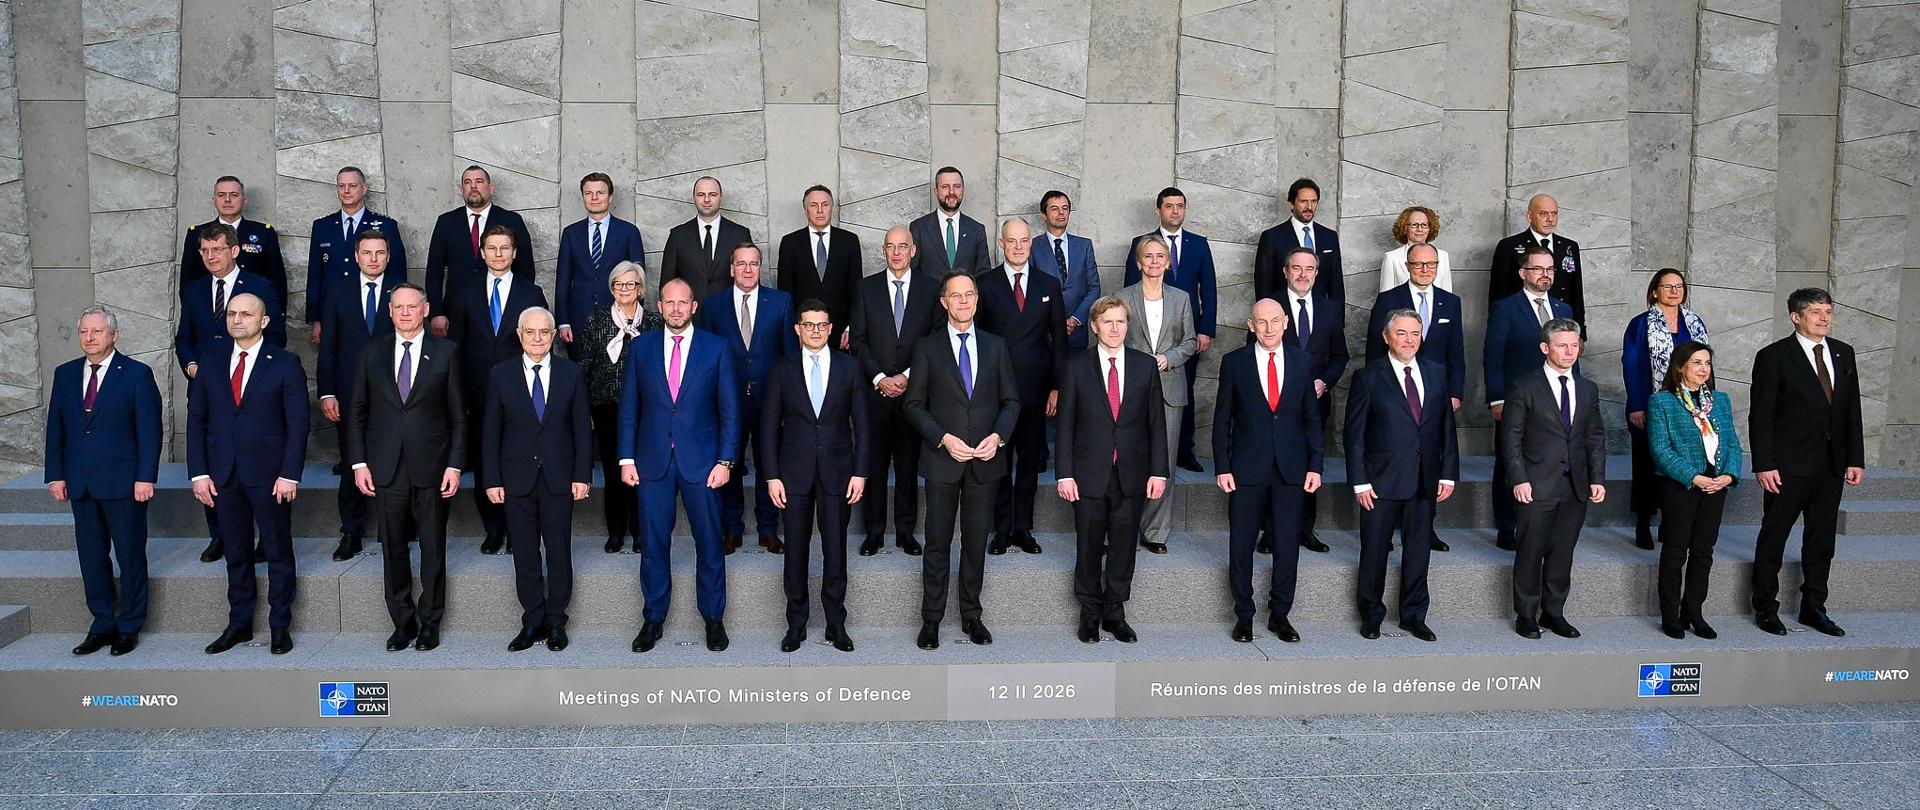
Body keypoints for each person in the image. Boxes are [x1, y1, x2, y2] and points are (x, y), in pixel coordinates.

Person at [619, 278, 743, 653]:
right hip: (652, 461)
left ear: (694, 307)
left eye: (682, 302)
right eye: (669, 302)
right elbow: (629, 408)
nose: (675, 309)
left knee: (709, 543)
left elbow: (730, 411)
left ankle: (714, 618)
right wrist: (626, 457)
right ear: (659, 306)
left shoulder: (717, 349)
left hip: (703, 463)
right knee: (654, 544)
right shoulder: (640, 349)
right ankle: (653, 618)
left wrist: (726, 461)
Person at [187, 293, 309, 656]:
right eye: (232, 313)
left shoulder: (285, 363)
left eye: (246, 314)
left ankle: (279, 626)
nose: (238, 319)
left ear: (264, 321)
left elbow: (298, 423)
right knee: (236, 553)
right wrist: (199, 474)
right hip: (223, 475)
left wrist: (290, 474)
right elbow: (197, 420)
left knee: (277, 550)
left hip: (271, 476)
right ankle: (239, 624)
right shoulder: (211, 361)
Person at [904, 271, 1020, 650]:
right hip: (943, 460)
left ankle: (971, 615)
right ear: (944, 302)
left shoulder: (996, 346)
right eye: (956, 296)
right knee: (938, 543)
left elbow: (1011, 402)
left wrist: (998, 437)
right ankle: (932, 619)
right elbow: (914, 404)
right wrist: (943, 438)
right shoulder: (927, 348)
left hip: (985, 462)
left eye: (969, 294)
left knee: (974, 543)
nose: (964, 301)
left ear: (976, 299)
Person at [347, 282, 465, 653]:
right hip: (385, 467)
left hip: (431, 466)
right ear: (390, 310)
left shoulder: (446, 353)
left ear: (426, 310)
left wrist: (455, 465)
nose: (405, 313)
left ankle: (431, 622)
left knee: (432, 548)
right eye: (398, 307)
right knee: (393, 547)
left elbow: (459, 416)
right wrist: (358, 462)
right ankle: (403, 621)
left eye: (412, 307)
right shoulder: (372, 353)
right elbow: (357, 412)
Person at [45, 305, 161, 657]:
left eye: (97, 331)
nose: (90, 338)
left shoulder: (137, 375)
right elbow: (57, 429)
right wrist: (56, 475)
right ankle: (102, 623)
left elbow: (149, 431)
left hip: (124, 482)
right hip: (80, 482)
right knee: (91, 557)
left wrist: (145, 477)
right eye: (84, 331)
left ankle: (129, 626)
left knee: (129, 555)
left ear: (114, 335)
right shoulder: (64, 374)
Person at [1748, 288, 1864, 638]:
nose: (1824, 318)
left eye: (1828, 311)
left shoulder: (1844, 353)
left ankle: (1814, 607)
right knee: (1774, 536)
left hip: (1832, 465)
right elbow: (1761, 415)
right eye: (1816, 312)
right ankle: (1766, 607)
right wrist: (1763, 463)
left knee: (1821, 539)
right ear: (1796, 316)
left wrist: (1855, 458)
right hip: (1786, 465)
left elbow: (1851, 411)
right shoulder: (1774, 356)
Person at [760, 300, 870, 652]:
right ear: (798, 329)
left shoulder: (850, 368)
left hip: (839, 473)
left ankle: (836, 623)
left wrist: (861, 472)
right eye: (809, 325)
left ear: (831, 327)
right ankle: (796, 623)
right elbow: (767, 429)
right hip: (792, 476)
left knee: (836, 551)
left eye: (822, 325)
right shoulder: (782, 370)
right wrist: (771, 476)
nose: (816, 331)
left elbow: (864, 427)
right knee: (795, 551)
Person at [1057, 296, 1167, 644]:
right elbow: (1065, 426)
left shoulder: (1144, 366)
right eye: (1108, 322)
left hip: (1132, 473)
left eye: (1121, 322)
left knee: (1124, 544)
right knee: (1089, 544)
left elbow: (1156, 424)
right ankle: (1089, 611)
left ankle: (1115, 611)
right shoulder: (1076, 367)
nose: (1115, 328)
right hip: (1088, 473)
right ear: (1094, 326)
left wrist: (1159, 472)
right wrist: (1064, 473)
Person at [1214, 299, 1324, 644]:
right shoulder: (1234, 363)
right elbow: (1222, 420)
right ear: (1251, 325)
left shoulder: (1303, 361)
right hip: (1246, 468)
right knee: (1242, 543)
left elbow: (1311, 418)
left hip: (1291, 468)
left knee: (1288, 544)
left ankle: (1280, 615)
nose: (1269, 328)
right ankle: (1244, 615)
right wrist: (1222, 466)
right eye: (1262, 322)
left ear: (1286, 322)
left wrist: (1315, 465)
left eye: (1275, 321)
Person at [482, 307, 592, 653]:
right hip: (517, 480)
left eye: (544, 332)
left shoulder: (570, 373)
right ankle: (532, 620)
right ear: (519, 335)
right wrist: (492, 479)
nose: (538, 338)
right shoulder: (500, 375)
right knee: (525, 555)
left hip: (559, 479)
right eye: (530, 332)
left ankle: (557, 621)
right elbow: (490, 432)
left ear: (553, 335)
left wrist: (582, 476)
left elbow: (581, 431)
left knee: (559, 552)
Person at [1345, 309, 1457, 642]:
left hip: (1425, 479)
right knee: (1375, 550)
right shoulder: (1368, 377)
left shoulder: (1437, 374)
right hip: (1380, 483)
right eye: (1402, 334)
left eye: (1414, 334)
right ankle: (1371, 615)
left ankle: (1413, 615)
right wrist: (1360, 481)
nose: (1409, 340)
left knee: (1419, 551)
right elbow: (1354, 435)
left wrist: (1448, 473)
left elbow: (1446, 429)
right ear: (1386, 337)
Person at [176, 222, 284, 564]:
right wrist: (192, 365)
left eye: (218, 249)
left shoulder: (259, 286)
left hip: (252, 388)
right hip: (209, 389)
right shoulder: (194, 291)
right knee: (214, 458)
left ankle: (267, 538)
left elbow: (277, 335)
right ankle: (220, 535)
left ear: (234, 251)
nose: (210, 256)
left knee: (258, 460)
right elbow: (184, 338)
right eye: (205, 251)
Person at [448, 224, 550, 555]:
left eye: (504, 248)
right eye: (492, 248)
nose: (498, 254)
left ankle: (517, 528)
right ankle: (493, 529)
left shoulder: (530, 292)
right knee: (484, 459)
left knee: (519, 458)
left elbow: (541, 344)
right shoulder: (465, 291)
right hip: (477, 391)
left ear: (515, 252)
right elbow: (457, 346)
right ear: (483, 252)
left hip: (520, 390)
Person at [1503, 318, 1606, 640]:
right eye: (1563, 345)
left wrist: (1597, 478)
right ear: (1545, 348)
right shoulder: (1524, 386)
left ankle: (1554, 612)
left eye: (1575, 345)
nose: (1570, 351)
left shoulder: (1588, 389)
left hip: (1575, 485)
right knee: (1531, 550)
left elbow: (1595, 436)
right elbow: (1510, 437)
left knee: (1563, 552)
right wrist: (1518, 479)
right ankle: (1526, 614)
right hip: (1535, 484)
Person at [697, 242, 796, 554]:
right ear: (731, 269)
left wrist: (788, 403)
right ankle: (732, 529)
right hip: (728, 402)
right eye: (741, 264)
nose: (748, 269)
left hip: (770, 400)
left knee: (770, 465)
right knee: (730, 464)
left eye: (754, 264)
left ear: (760, 268)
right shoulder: (713, 306)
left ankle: (768, 529)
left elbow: (790, 356)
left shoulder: (780, 302)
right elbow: (705, 357)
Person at [848, 226, 940, 556]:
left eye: (903, 246)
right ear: (884, 251)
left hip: (913, 395)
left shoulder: (931, 289)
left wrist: (907, 376)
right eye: (891, 246)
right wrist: (880, 378)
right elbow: (856, 340)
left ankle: (905, 531)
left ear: (913, 250)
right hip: (874, 394)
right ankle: (873, 531)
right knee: (873, 463)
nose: (897, 252)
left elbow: (934, 339)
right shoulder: (866, 288)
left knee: (907, 464)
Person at [976, 218, 1066, 556]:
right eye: (1011, 241)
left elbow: (1059, 341)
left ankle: (1023, 527)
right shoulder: (985, 284)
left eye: (1024, 241)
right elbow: (978, 340)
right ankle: (1000, 529)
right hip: (995, 390)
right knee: (998, 459)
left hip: (1034, 389)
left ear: (1031, 243)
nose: (1018, 247)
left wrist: (1056, 387)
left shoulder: (1048, 283)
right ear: (1002, 244)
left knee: (1029, 460)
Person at [1367, 242, 1463, 552]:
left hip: (1434, 395)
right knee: (1394, 457)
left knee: (1429, 460)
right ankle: (1387, 527)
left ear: (1438, 266)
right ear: (1408, 266)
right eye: (1419, 264)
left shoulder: (1451, 302)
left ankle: (1426, 529)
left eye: (1431, 264)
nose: (1425, 269)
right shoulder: (1388, 299)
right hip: (1394, 396)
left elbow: (1456, 351)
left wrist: (1455, 392)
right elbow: (1373, 350)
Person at [1645, 342, 1739, 640]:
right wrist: (1694, 477)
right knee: (1675, 551)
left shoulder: (1720, 401)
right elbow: (1660, 450)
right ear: (1680, 367)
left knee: (1704, 551)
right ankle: (1670, 614)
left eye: (1707, 363)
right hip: (1682, 485)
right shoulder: (1662, 402)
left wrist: (1729, 476)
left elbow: (1733, 444)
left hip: (1716, 485)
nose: (1703, 369)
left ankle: (1694, 611)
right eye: (1697, 363)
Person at [1483, 246, 1573, 550]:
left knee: (1548, 461)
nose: (1545, 274)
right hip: (1516, 400)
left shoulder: (1563, 309)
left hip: (1555, 401)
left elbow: (1571, 356)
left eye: (1550, 269)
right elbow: (1493, 356)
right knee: (1510, 461)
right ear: (1524, 273)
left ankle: (1542, 525)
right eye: (1538, 268)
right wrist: (1496, 398)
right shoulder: (1506, 308)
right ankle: (1507, 527)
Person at [316, 230, 397, 561]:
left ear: (388, 256)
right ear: (356, 256)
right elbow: (329, 348)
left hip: (395, 394)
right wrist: (327, 392)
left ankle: (395, 530)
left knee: (394, 461)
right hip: (349, 393)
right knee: (353, 461)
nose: (374, 259)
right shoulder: (337, 292)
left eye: (380, 253)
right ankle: (351, 531)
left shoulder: (401, 292)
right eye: (367, 253)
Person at [1124, 187, 1216, 472]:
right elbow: (1129, 288)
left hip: (1183, 333)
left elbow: (1209, 289)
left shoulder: (1198, 244)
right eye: (1169, 206)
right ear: (1158, 210)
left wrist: (1205, 330)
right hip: (1145, 337)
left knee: (1182, 390)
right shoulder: (1141, 243)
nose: (1175, 211)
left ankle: (1182, 449)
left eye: (1180, 206)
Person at [576, 261, 663, 553]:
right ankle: (616, 532)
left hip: (645, 410)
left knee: (642, 471)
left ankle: (640, 531)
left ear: (640, 289)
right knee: (615, 472)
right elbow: (584, 366)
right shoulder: (597, 321)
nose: (625, 289)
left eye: (631, 284)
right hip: (606, 407)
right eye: (619, 284)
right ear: (612, 288)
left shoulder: (653, 324)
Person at [1116, 235, 1195, 555]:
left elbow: (1190, 342)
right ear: (1138, 262)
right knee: (1125, 459)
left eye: (1159, 256)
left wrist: (1169, 358)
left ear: (1168, 262)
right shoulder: (1122, 298)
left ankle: (1155, 531)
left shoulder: (1181, 299)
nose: (1153, 261)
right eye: (1147, 256)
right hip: (1128, 391)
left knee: (1163, 462)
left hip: (1169, 390)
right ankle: (1120, 527)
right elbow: (1112, 339)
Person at [1622, 269, 1710, 550]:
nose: (1674, 291)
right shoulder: (1641, 323)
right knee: (1647, 465)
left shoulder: (1695, 323)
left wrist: (1707, 403)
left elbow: (1705, 363)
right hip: (1650, 403)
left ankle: (1670, 523)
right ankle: (1643, 523)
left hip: (1686, 407)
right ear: (1654, 291)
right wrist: (1637, 404)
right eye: (1667, 286)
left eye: (1679, 286)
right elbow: (1632, 365)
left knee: (1678, 463)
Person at [1271, 248, 1347, 555]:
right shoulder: (1271, 306)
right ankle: (1271, 530)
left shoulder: (1330, 309)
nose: (1303, 274)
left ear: (1317, 273)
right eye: (1297, 268)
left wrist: (1324, 381)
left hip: (1315, 402)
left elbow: (1340, 356)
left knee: (1311, 465)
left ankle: (1305, 529)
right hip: (1276, 405)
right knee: (1273, 465)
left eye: (1309, 269)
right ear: (1286, 271)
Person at [424, 165, 535, 336]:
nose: (473, 186)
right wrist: (436, 312)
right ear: (462, 189)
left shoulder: (511, 220)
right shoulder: (446, 222)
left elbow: (525, 269)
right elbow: (434, 271)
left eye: (479, 181)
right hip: (456, 313)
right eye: (468, 182)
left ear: (490, 188)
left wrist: (519, 308)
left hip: (499, 311)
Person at [307, 166, 406, 342]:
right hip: (334, 311)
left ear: (364, 188)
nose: (346, 191)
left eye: (352, 186)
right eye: (341, 186)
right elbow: (315, 275)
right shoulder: (322, 226)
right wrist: (316, 318)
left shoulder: (385, 226)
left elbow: (397, 273)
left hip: (374, 311)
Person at [556, 172, 646, 350]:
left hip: (619, 320)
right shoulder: (571, 234)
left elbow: (639, 280)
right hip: (578, 321)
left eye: (600, 193)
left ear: (610, 197)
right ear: (583, 196)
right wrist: (563, 321)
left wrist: (634, 321)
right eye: (589, 193)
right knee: (579, 375)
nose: (594, 198)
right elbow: (563, 281)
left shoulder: (628, 232)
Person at [776, 185, 862, 350]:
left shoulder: (849, 241)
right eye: (814, 205)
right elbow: (785, 292)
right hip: (804, 333)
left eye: (825, 205)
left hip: (840, 333)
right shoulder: (790, 243)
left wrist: (851, 328)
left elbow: (856, 289)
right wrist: (796, 330)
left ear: (832, 208)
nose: (820, 210)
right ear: (805, 210)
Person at [181, 176, 288, 302]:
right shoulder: (197, 234)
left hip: (252, 311)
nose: (227, 200)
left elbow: (277, 281)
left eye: (234, 195)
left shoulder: (264, 233)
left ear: (244, 200)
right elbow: (187, 282)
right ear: (214, 200)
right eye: (221, 195)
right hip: (209, 310)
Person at [1489, 194, 1584, 327]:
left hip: (1562, 323)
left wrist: (1580, 332)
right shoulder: (1509, 246)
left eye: (1554, 213)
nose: (1550, 219)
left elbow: (1576, 291)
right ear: (1530, 216)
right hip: (1522, 323)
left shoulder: (1569, 246)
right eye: (1543, 214)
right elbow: (1499, 292)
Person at [659, 176, 752, 304]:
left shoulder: (740, 234)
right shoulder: (678, 236)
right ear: (694, 197)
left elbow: (751, 281)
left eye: (712, 194)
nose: (706, 199)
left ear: (721, 196)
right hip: (690, 318)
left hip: (730, 316)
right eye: (701, 194)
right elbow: (667, 283)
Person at [1028, 190, 1101, 352]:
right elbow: (1029, 288)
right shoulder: (1032, 246)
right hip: (1043, 334)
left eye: (1065, 208)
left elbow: (1094, 286)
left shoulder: (1084, 246)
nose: (1061, 213)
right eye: (1054, 208)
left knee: (1076, 377)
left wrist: (1075, 319)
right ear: (1043, 215)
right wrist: (1053, 322)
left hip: (1077, 334)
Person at [1254, 177, 1344, 307]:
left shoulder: (1330, 237)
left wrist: (1337, 324)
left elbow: (1336, 287)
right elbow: (1263, 287)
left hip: (1322, 317)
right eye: (1303, 201)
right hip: (1284, 316)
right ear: (1291, 203)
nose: (1309, 207)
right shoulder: (1272, 237)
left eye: (1313, 201)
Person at [908, 166, 991, 276]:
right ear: (936, 191)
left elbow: (983, 275)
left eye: (956, 186)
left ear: (963, 190)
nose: (951, 192)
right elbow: (912, 272)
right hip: (930, 293)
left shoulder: (976, 230)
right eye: (945, 187)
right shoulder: (918, 228)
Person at [1377, 206, 1452, 292]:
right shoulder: (1392, 258)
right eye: (1414, 225)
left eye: (1424, 225)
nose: (1419, 229)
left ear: (1430, 228)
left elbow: (1447, 293)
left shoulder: (1443, 256)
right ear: (1405, 228)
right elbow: (1385, 296)